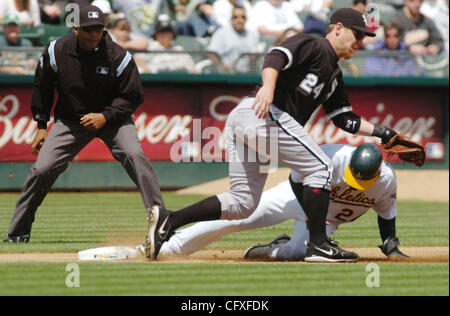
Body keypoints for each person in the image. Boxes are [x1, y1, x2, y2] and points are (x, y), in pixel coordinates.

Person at [144, 8, 405, 263]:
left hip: (256, 123)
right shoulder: (315, 46)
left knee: (242, 204)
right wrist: (268, 88)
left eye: (364, 38)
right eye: (358, 35)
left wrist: (384, 133)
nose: (361, 42)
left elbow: (344, 118)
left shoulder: (335, 75)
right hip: (263, 113)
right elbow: (276, 56)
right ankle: (319, 245)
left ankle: (170, 220)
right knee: (321, 167)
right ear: (338, 29)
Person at [3, 5, 166, 243]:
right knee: (42, 169)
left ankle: (162, 224)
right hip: (71, 120)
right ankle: (18, 231)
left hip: (112, 120)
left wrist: (106, 116)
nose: (94, 34)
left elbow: (132, 96)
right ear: (76, 29)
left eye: (98, 29)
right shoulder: (57, 50)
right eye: (88, 29)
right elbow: (43, 87)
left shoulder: (118, 55)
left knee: (135, 155)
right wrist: (41, 125)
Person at [153, 144, 407, 262]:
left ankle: (271, 249)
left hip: (325, 223)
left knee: (297, 254)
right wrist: (311, 212)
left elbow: (386, 215)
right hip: (294, 197)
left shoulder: (386, 181)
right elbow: (296, 179)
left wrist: (391, 247)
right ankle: (170, 247)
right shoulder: (333, 156)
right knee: (240, 217)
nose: (355, 182)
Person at [134, 16, 198, 73]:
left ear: (173, 34)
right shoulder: (150, 47)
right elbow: (136, 60)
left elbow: (193, 69)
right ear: (156, 35)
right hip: (156, 82)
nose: (165, 34)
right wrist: (145, 67)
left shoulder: (179, 49)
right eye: (162, 31)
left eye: (168, 31)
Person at [207, 5, 260, 73]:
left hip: (247, 74)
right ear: (231, 19)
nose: (239, 20)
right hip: (226, 76)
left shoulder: (253, 35)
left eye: (242, 17)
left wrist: (255, 58)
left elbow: (257, 57)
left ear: (246, 19)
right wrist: (222, 67)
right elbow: (212, 54)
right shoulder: (221, 33)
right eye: (235, 17)